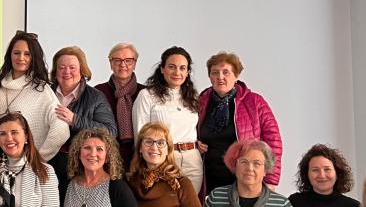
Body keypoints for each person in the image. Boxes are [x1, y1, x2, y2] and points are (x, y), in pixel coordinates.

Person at [197, 52, 282, 193]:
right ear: (209, 76)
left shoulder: (255, 102)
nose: (220, 77)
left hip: (246, 179)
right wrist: (195, 143)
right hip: (209, 180)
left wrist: (271, 180)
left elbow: (274, 141)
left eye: (226, 72)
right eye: (215, 72)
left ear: (236, 76)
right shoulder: (201, 102)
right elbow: (188, 130)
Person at [132, 46, 203, 193]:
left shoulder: (193, 97)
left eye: (182, 68)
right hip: (162, 159)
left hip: (193, 160)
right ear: (162, 69)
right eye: (172, 67)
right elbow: (140, 135)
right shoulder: (147, 95)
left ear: (188, 72)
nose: (177, 72)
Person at [49, 46, 117, 194]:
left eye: (72, 67)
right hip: (45, 164)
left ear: (82, 70)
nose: (67, 72)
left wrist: (75, 120)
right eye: (62, 67)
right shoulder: (45, 93)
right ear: (55, 71)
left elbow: (110, 131)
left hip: (78, 168)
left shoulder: (95, 97)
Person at [0, 31, 68, 161]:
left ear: (34, 58)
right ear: (9, 55)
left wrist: (37, 159)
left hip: (28, 169)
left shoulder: (40, 89)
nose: (21, 58)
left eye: (27, 54)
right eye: (16, 53)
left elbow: (61, 130)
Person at [95, 43, 143, 167]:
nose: (123, 64)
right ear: (110, 63)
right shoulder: (98, 92)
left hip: (140, 156)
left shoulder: (145, 93)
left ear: (135, 63)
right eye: (117, 60)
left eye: (128, 60)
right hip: (107, 157)